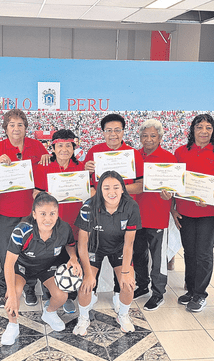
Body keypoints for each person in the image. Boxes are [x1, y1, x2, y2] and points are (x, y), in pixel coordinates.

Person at [0, 193, 81, 345]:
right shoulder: (22, 231)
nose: (48, 219)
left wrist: (73, 258)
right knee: (13, 294)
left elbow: (70, 245)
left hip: (47, 266)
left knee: (62, 296)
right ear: (34, 214)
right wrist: (10, 293)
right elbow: (9, 263)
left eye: (52, 214)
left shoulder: (63, 228)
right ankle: (12, 325)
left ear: (57, 214)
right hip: (23, 266)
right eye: (43, 214)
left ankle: (49, 313)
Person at [0, 109, 50, 308]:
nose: (16, 128)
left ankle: (29, 288)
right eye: (12, 125)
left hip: (30, 212)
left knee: (29, 253)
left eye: (20, 125)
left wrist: (46, 161)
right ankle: (4, 289)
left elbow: (46, 175)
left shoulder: (37, 146)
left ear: (26, 127)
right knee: (5, 253)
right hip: (4, 211)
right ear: (5, 128)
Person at [83, 113, 144, 306]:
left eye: (117, 130)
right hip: (99, 216)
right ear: (103, 133)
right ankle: (90, 297)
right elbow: (87, 187)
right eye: (108, 130)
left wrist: (116, 192)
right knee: (95, 255)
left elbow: (141, 185)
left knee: (126, 253)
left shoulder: (133, 154)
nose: (113, 134)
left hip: (124, 215)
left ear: (123, 131)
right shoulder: (94, 152)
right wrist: (87, 171)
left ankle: (120, 296)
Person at [170, 114, 214, 312]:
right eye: (199, 127)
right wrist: (172, 208)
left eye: (208, 128)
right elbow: (173, 182)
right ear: (192, 130)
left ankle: (200, 294)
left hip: (210, 212)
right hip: (185, 211)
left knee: (203, 253)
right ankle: (191, 289)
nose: (204, 131)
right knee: (189, 251)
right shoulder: (180, 152)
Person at [73, 170, 141, 335]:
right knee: (85, 286)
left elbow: (129, 243)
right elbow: (82, 244)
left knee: (128, 285)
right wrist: (88, 274)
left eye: (116, 187)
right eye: (107, 188)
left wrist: (125, 272)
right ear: (99, 190)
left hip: (119, 248)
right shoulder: (88, 207)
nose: (112, 192)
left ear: (123, 189)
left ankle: (123, 315)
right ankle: (83, 318)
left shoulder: (131, 206)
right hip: (94, 248)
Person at [34, 129, 86, 313]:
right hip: (51, 226)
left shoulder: (82, 168)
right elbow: (36, 192)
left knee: (72, 261)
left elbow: (90, 193)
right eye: (60, 145)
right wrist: (48, 196)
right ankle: (51, 295)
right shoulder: (43, 166)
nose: (64, 149)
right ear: (53, 148)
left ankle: (70, 296)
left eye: (68, 145)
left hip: (74, 223)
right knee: (50, 262)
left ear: (74, 147)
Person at [134, 119, 176, 311]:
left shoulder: (169, 158)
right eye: (144, 135)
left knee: (158, 257)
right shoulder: (134, 156)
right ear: (140, 137)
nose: (148, 139)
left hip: (158, 214)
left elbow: (174, 187)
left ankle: (158, 293)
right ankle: (141, 285)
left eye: (152, 136)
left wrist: (171, 194)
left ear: (160, 137)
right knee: (138, 253)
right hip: (136, 213)